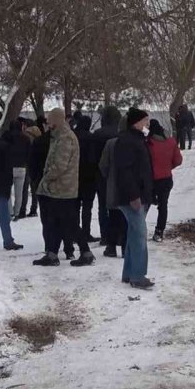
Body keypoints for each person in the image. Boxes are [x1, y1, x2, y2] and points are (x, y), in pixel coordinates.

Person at [34, 108, 91, 266]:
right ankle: (52, 254)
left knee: (69, 222)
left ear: (57, 120)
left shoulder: (65, 138)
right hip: (58, 188)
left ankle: (85, 252)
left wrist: (45, 180)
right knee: (56, 222)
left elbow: (59, 165)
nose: (48, 124)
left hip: (63, 189)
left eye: (50, 120)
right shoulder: (58, 136)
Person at [114, 108, 155, 290]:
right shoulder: (127, 141)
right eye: (145, 120)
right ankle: (138, 275)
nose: (147, 123)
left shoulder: (137, 139)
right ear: (135, 122)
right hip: (132, 197)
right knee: (139, 234)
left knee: (133, 233)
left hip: (139, 194)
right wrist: (133, 195)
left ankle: (129, 273)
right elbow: (125, 171)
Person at [92, 106, 124, 254]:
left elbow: (93, 158)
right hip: (118, 175)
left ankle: (105, 235)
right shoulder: (120, 135)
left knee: (103, 207)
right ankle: (118, 236)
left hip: (100, 174)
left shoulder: (97, 135)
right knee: (119, 207)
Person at [146, 119, 182, 242]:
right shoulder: (171, 141)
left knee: (144, 205)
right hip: (166, 179)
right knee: (163, 206)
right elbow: (178, 160)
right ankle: (159, 232)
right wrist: (167, 167)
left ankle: (138, 230)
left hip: (151, 180)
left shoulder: (148, 143)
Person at [75, 115, 100, 244]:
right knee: (87, 208)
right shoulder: (91, 138)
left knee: (74, 207)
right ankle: (85, 232)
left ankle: (74, 232)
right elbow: (94, 159)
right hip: (89, 177)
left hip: (74, 176)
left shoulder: (73, 136)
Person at [3, 120, 30, 220]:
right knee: (19, 193)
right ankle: (17, 212)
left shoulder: (6, 137)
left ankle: (9, 212)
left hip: (9, 167)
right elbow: (29, 154)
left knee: (8, 192)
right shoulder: (25, 138)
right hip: (21, 167)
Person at [26, 116, 50, 219]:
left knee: (29, 187)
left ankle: (31, 208)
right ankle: (34, 207)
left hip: (30, 166)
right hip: (42, 168)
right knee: (35, 189)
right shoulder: (42, 136)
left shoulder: (27, 135)